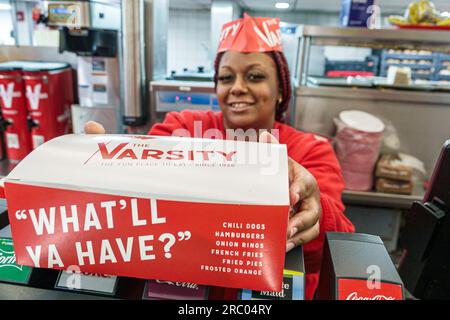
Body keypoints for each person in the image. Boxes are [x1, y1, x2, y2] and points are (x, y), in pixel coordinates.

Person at [85, 14, 355, 300]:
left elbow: (332, 253)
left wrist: (311, 209)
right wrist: (107, 171)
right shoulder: (185, 127)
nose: (237, 87)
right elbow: (140, 192)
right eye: (226, 77)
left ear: (280, 91)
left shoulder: (309, 149)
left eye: (255, 76)